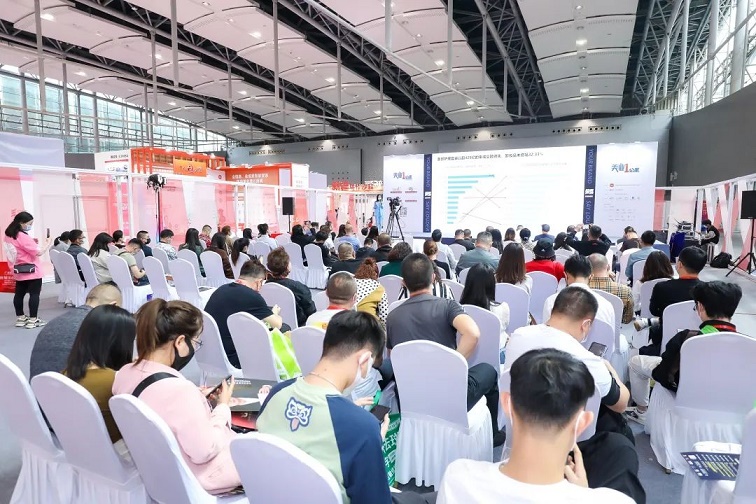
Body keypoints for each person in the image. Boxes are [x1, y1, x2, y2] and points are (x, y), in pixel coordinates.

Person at [258, 311, 435, 504]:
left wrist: (352, 416)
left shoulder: (276, 393)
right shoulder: (360, 428)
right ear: (364, 360)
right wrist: (372, 441)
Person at [438, 349, 636, 504]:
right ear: (582, 423)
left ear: (506, 404)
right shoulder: (614, 500)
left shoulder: (457, 479)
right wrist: (583, 495)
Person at [503, 288, 643, 501]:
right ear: (586, 324)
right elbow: (621, 403)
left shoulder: (518, 336)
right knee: (620, 437)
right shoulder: (588, 361)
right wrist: (609, 368)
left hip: (521, 424)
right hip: (572, 444)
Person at [112, 299, 242, 494]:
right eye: (195, 342)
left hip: (158, 473)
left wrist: (196, 400)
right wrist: (222, 408)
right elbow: (203, 451)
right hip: (200, 480)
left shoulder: (124, 374)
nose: (194, 348)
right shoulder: (180, 390)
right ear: (180, 342)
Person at [386, 254, 502, 445]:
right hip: (449, 395)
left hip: (411, 397)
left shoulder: (393, 316)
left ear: (403, 283)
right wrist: (451, 364)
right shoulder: (447, 306)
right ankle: (494, 435)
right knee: (488, 371)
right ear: (433, 278)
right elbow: (472, 334)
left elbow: (394, 358)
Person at [627, 281, 742, 425]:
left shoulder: (686, 339)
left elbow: (664, 374)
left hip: (685, 392)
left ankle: (641, 411)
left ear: (700, 307)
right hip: (729, 404)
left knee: (636, 362)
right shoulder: (748, 345)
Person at [64, 304, 135, 443]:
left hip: (82, 446)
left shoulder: (66, 374)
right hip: (119, 448)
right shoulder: (116, 382)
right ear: (120, 343)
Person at [30, 283, 122, 378]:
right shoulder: (101, 327)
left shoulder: (55, 322)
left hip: (39, 384)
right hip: (72, 384)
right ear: (114, 306)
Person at [204, 260, 284, 368]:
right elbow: (277, 324)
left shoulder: (221, 289)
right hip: (233, 357)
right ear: (259, 282)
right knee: (281, 330)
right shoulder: (252, 296)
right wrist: (275, 313)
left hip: (210, 353)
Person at [636, 246, 706, 356]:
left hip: (666, 340)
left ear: (680, 264)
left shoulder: (662, 287)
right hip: (699, 340)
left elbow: (653, 311)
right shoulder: (708, 291)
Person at [4, 211, 52, 328]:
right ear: (21, 223)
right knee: (34, 294)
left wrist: (32, 243)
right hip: (32, 271)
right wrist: (48, 243)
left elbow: (18, 249)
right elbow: (39, 252)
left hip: (17, 270)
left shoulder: (8, 235)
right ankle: (33, 320)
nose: (30, 226)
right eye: (29, 223)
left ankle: (20, 318)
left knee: (19, 294)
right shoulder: (22, 236)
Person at [542, 255, 615, 329]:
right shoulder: (607, 306)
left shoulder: (551, 301)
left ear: (566, 276)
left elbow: (546, 332)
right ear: (591, 277)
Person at [267, 247, 316, 327]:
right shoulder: (299, 288)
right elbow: (311, 312)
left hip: (272, 324)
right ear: (287, 266)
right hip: (298, 326)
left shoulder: (264, 286)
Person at [460, 263, 509, 337]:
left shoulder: (458, 309)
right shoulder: (502, 308)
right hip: (495, 344)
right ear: (492, 284)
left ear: (468, 283)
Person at [588, 254, 634, 324]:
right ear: (608, 267)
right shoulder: (625, 290)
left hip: (585, 329)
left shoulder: (580, 289)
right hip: (613, 329)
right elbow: (627, 319)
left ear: (587, 268)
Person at [354, 258, 388, 326]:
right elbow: (384, 316)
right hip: (369, 325)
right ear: (376, 274)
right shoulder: (379, 288)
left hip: (350, 322)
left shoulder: (351, 283)